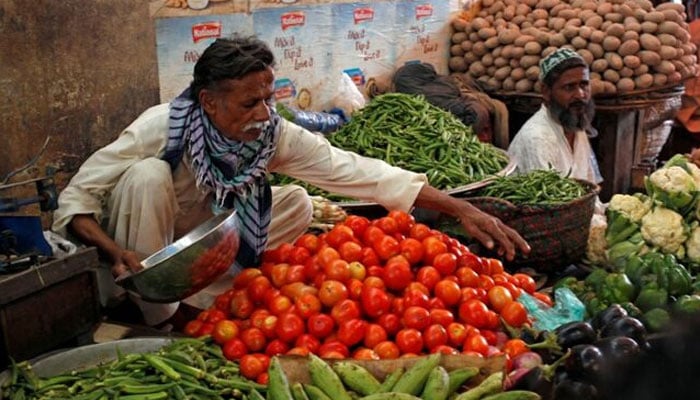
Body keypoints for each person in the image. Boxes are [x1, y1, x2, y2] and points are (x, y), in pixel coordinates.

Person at [52, 35, 530, 327]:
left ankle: (209, 294)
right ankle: (160, 315)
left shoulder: (270, 133)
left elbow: (357, 171)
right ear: (209, 102)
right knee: (147, 177)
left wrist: (461, 208)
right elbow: (76, 199)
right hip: (142, 246)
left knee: (298, 202)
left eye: (267, 98)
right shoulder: (161, 128)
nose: (265, 114)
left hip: (202, 235)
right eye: (249, 104)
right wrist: (116, 254)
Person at [507, 48, 603, 185]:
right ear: (546, 92)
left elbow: (590, 186)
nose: (580, 94)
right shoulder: (537, 138)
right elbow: (549, 203)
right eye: (569, 87)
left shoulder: (576, 126)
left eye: (584, 85)